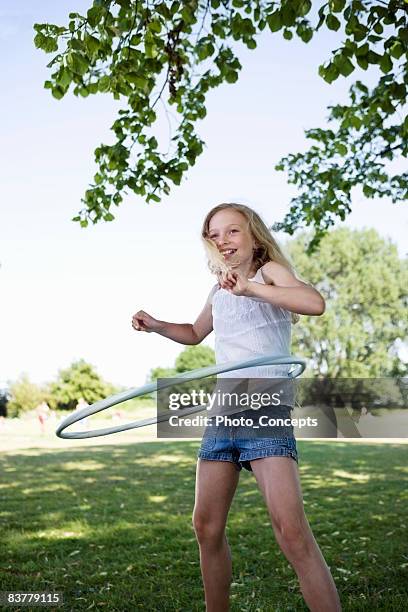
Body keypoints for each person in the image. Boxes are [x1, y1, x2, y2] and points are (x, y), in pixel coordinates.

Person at [131, 203, 341, 611]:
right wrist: (157, 325)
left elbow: (314, 303)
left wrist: (250, 288)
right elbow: (194, 333)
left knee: (291, 531)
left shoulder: (269, 273)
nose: (223, 241)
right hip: (223, 413)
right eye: (214, 234)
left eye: (232, 231)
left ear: (252, 235)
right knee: (205, 527)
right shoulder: (218, 289)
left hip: (264, 406)